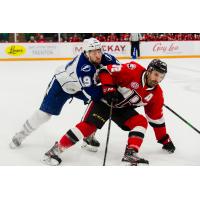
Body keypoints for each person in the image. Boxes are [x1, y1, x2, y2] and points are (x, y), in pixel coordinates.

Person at [42, 59, 175, 166]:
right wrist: (109, 89)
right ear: (149, 71)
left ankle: (131, 153)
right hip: (104, 101)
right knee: (88, 127)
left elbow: (156, 119)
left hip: (122, 109)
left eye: (161, 76)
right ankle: (55, 150)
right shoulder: (132, 69)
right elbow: (105, 71)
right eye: (156, 74)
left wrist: (164, 140)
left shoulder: (156, 94)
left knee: (140, 121)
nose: (158, 79)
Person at [9, 38, 120, 151]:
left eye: (99, 51)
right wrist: (109, 90)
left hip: (80, 87)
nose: (98, 55)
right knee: (44, 114)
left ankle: (88, 136)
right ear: (87, 53)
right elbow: (92, 93)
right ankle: (20, 135)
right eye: (94, 52)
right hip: (62, 86)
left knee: (100, 105)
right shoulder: (83, 68)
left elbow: (121, 71)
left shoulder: (106, 58)